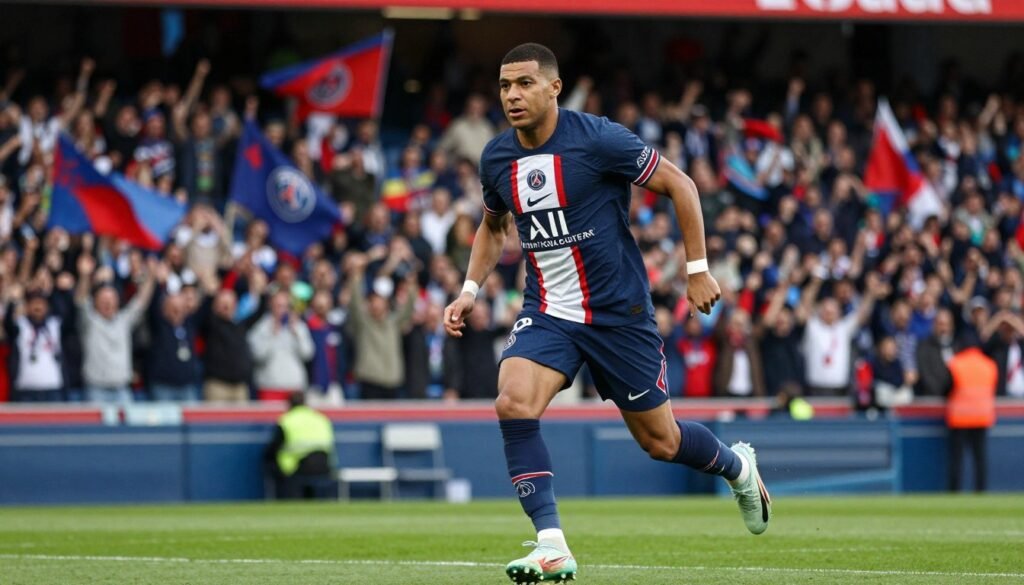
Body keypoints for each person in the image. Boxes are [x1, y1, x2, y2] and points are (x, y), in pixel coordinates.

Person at [443, 43, 770, 584]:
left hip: (619, 314)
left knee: (660, 442)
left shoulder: (599, 139)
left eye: (524, 83)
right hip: (549, 310)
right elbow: (493, 225)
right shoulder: (497, 157)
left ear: (554, 87)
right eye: (504, 86)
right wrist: (470, 290)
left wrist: (697, 269)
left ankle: (737, 467)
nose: (512, 96)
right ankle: (551, 544)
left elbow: (680, 185)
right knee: (512, 400)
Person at [945, 338, 998, 492]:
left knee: (956, 459)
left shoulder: (956, 363)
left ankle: (954, 491)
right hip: (982, 415)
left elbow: (946, 387)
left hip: (960, 417)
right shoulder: (989, 364)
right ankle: (980, 490)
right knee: (980, 458)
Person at [263, 392, 336, 499]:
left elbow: (274, 448)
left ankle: (284, 500)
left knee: (272, 465)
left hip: (297, 467)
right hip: (324, 465)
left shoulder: (287, 421)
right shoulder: (321, 418)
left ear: (289, 404)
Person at [247, 289, 315, 401]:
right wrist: (272, 334)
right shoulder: (261, 328)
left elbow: (308, 354)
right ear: (271, 305)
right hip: (270, 387)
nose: (282, 310)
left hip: (295, 387)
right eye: (278, 306)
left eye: (285, 306)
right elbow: (258, 356)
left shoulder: (299, 327)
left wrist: (296, 334)